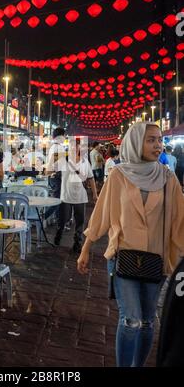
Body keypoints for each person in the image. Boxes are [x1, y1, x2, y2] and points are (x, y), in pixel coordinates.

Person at [77, 122, 184, 367]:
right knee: (131, 320)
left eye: (159, 140)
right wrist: (86, 248)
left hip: (156, 259)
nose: (158, 145)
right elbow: (101, 214)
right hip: (123, 256)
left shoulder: (168, 178)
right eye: (151, 140)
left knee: (147, 321)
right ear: (135, 142)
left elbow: (180, 219)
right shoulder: (119, 176)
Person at [47, 138, 98, 251]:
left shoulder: (85, 162)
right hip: (66, 196)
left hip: (80, 196)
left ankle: (77, 243)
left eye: (77, 146)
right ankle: (59, 235)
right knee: (63, 220)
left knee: (80, 222)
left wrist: (95, 194)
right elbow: (48, 172)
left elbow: (91, 178)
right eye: (72, 146)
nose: (75, 148)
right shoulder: (62, 160)